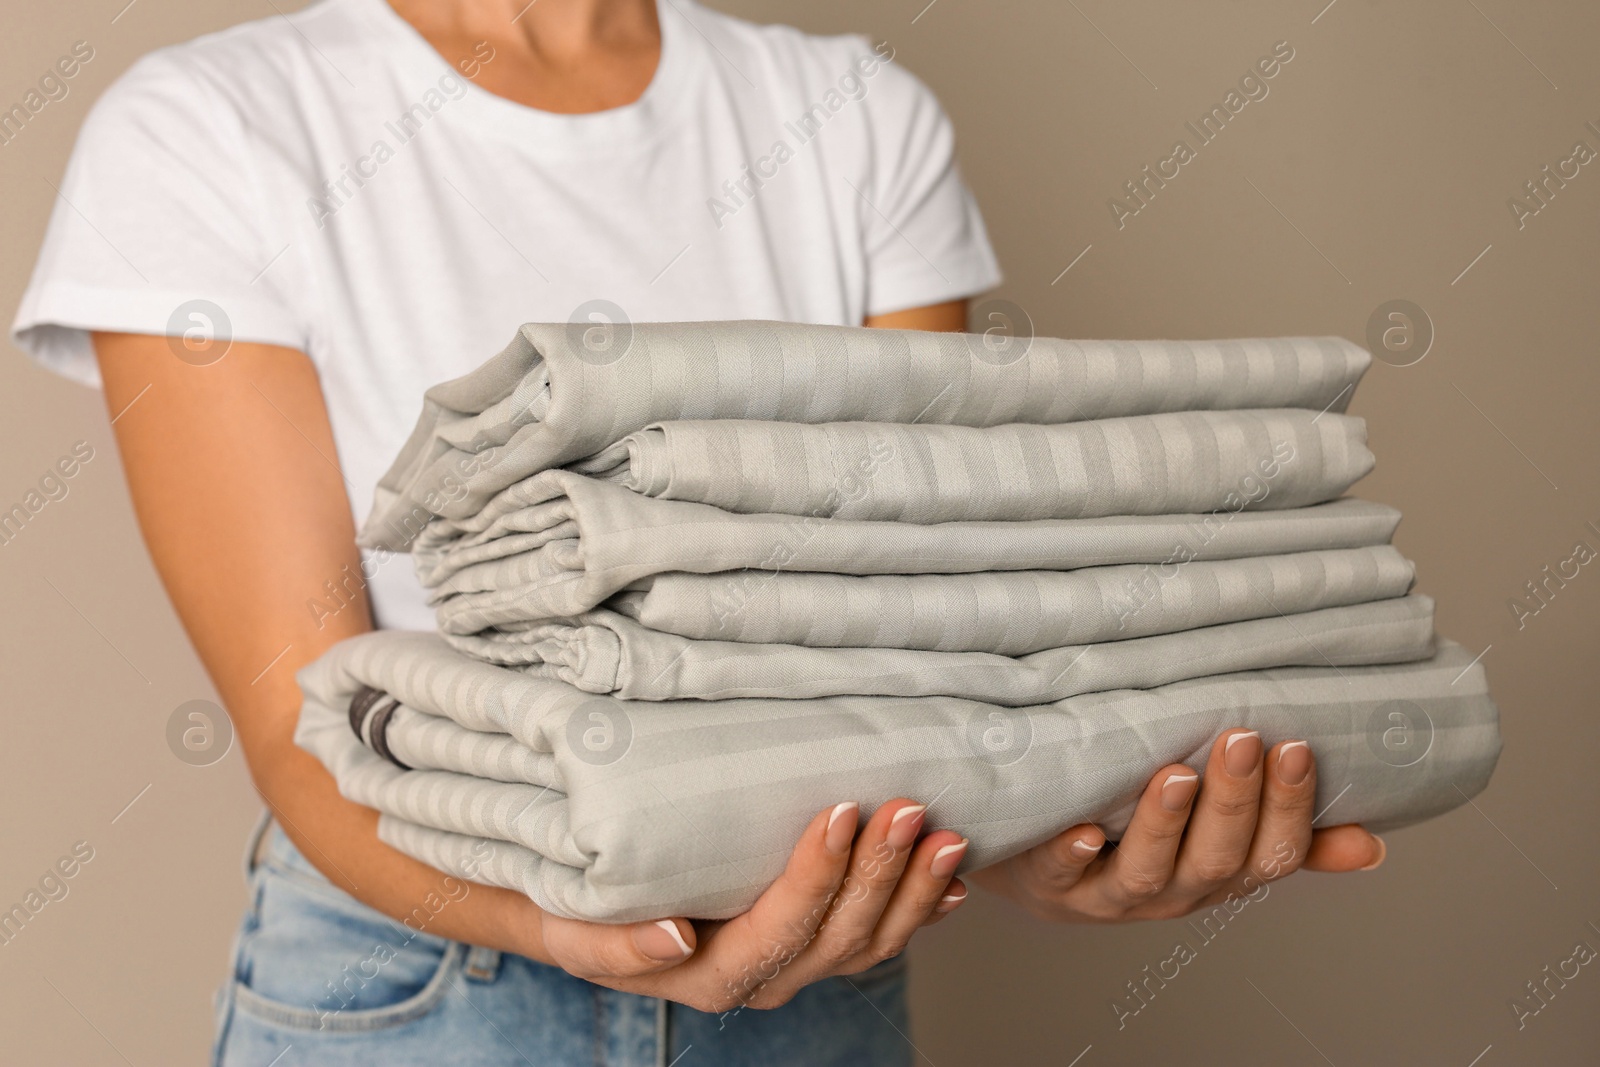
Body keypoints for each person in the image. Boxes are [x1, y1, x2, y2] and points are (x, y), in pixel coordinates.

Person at [12, 0, 1385, 1062]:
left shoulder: (855, 115)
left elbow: (936, 633)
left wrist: (1054, 840)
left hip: (825, 984)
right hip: (422, 990)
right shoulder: (209, 129)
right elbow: (307, 724)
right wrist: (551, 917)